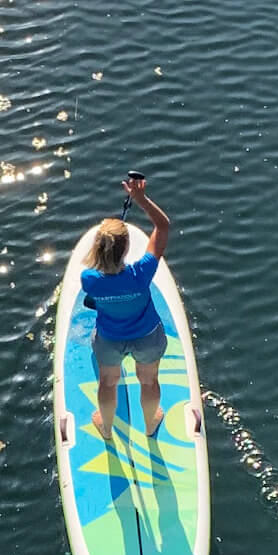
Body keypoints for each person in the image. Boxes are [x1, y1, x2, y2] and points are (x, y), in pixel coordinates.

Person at [79, 174, 172, 439]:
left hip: (110, 340)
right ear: (127, 247)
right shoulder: (142, 273)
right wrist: (141, 199)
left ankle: (107, 429)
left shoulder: (90, 281)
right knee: (149, 380)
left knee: (108, 382)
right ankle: (151, 423)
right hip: (147, 337)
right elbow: (162, 227)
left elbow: (101, 274)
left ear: (98, 249)